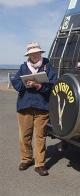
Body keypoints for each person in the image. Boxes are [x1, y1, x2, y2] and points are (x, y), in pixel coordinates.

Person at [12, 42, 57, 176]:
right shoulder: (22, 67)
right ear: (29, 55)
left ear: (40, 53)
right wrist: (27, 84)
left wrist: (39, 86)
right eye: (32, 53)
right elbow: (16, 85)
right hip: (24, 106)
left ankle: (40, 164)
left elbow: (53, 87)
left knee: (40, 136)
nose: (34, 55)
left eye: (36, 53)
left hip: (42, 107)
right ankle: (26, 159)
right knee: (24, 136)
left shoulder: (48, 67)